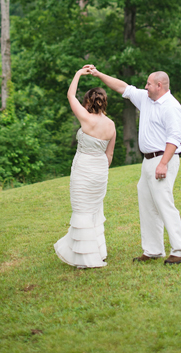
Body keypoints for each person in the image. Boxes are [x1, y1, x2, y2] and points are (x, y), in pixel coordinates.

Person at [88, 66, 181, 265]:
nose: (145, 87)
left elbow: (174, 139)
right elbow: (123, 88)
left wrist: (162, 164)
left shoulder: (172, 107)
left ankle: (180, 249)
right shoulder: (146, 98)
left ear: (159, 86)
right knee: (147, 203)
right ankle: (153, 250)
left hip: (163, 160)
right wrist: (98, 74)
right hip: (148, 161)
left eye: (149, 84)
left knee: (164, 203)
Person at [54, 66, 116, 268]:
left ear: (88, 102)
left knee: (81, 211)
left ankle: (85, 257)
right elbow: (110, 154)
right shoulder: (111, 126)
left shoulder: (85, 118)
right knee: (94, 211)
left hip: (83, 170)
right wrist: (100, 171)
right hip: (100, 171)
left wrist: (78, 73)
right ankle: (98, 250)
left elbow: (70, 94)